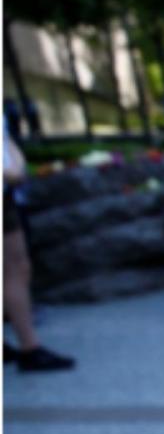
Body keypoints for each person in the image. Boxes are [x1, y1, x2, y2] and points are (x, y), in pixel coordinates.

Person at [3, 118, 75, 372]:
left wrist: (15, 166)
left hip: (6, 193)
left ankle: (27, 345)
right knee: (14, 268)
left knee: (17, 266)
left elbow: (6, 139)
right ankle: (29, 347)